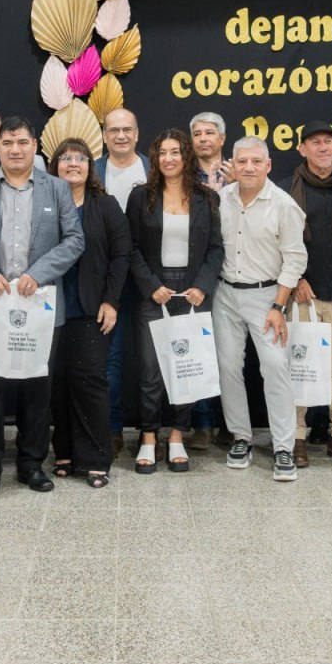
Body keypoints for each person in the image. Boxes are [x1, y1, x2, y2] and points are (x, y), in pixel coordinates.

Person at [0, 116, 84, 504]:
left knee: (36, 387)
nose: (15, 149)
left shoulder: (57, 189)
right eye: (7, 143)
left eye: (22, 142)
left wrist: (39, 274)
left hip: (38, 306)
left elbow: (75, 240)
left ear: (35, 145)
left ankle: (31, 464)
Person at [126, 129, 223, 474]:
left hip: (193, 292)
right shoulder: (141, 198)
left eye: (175, 152)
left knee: (186, 369)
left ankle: (177, 436)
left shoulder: (207, 198)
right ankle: (149, 437)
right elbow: (132, 248)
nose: (169, 158)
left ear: (187, 157)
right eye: (162, 153)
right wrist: (151, 285)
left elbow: (215, 249)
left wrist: (202, 286)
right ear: (155, 159)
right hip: (155, 292)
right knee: (151, 371)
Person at [215, 136, 308, 481]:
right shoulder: (220, 199)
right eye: (242, 162)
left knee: (274, 367)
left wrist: (277, 306)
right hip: (225, 295)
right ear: (233, 165)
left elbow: (295, 258)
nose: (249, 168)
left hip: (267, 297)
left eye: (256, 161)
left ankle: (283, 447)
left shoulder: (283, 205)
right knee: (228, 368)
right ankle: (241, 438)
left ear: (268, 165)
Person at [49, 138, 130, 488]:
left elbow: (121, 255)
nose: (72, 163)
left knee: (92, 381)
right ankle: (64, 452)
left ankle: (96, 458)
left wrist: (111, 300)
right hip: (49, 307)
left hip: (91, 306)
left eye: (79, 158)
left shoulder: (105, 204)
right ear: (54, 166)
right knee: (57, 383)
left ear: (90, 166)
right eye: (65, 158)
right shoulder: (44, 202)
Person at [278, 120, 332, 468]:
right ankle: (295, 435)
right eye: (315, 142)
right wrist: (294, 280)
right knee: (298, 368)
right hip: (300, 294)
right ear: (302, 149)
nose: (323, 147)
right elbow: (275, 243)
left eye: (329, 141)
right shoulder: (284, 190)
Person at [92, 107, 149, 457]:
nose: (121, 136)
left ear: (137, 133)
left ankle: (150, 431)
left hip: (147, 278)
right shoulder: (93, 171)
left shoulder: (154, 168)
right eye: (114, 130)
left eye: (127, 129)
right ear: (104, 135)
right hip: (107, 279)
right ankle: (111, 428)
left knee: (150, 359)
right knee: (109, 359)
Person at [185, 111, 230, 450]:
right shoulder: (183, 178)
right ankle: (202, 424)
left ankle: (231, 423)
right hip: (196, 275)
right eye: (197, 134)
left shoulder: (240, 171)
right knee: (199, 350)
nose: (203, 138)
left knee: (230, 355)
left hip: (235, 276)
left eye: (209, 133)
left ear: (222, 139)